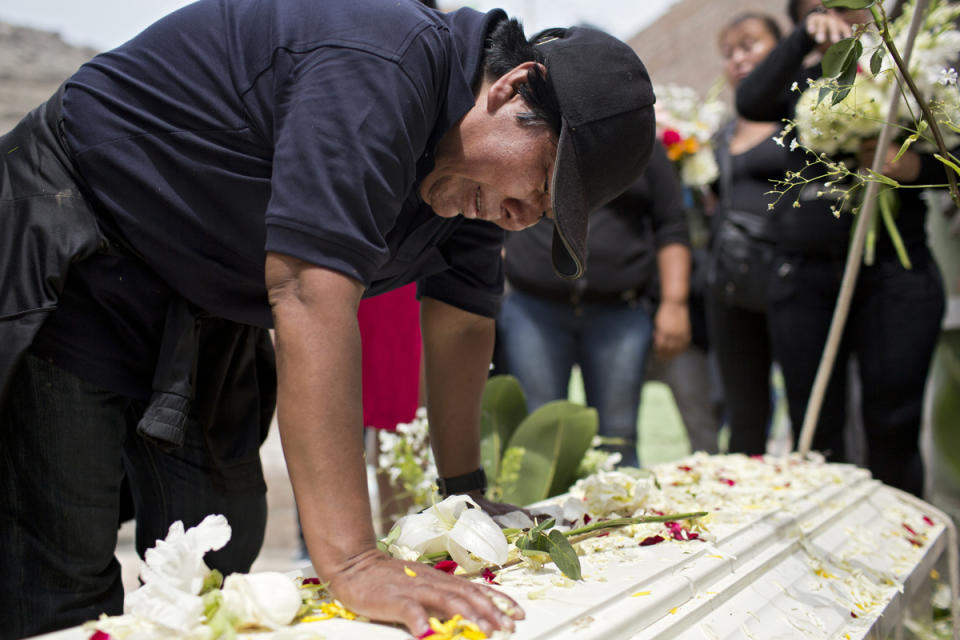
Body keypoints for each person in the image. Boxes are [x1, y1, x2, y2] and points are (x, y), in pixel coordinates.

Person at [0, 1, 657, 637]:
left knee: (219, 551)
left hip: (204, 292)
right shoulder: (381, 62)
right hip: (84, 240)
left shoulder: (469, 183)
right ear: (515, 88)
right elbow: (309, 293)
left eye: (544, 211)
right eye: (543, 181)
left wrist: (464, 495)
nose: (523, 215)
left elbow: (461, 321)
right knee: (67, 571)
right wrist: (351, 561)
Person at [736, 0, 946, 495]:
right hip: (806, 276)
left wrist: (916, 169)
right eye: (819, 7)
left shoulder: (912, 63)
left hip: (896, 266)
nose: (836, 14)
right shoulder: (800, 76)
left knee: (893, 425)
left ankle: (901, 547)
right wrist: (803, 40)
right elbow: (750, 101)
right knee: (817, 432)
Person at [497, 142, 691, 467]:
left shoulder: (644, 147)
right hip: (534, 309)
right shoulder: (537, 135)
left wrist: (675, 303)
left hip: (619, 312)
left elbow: (671, 226)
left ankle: (619, 514)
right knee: (536, 435)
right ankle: (539, 517)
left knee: (617, 437)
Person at [705, 12, 785, 455]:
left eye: (750, 45)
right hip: (731, 280)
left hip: (792, 273)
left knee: (815, 404)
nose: (739, 59)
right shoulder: (719, 134)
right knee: (743, 409)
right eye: (729, 52)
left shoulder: (802, 119)